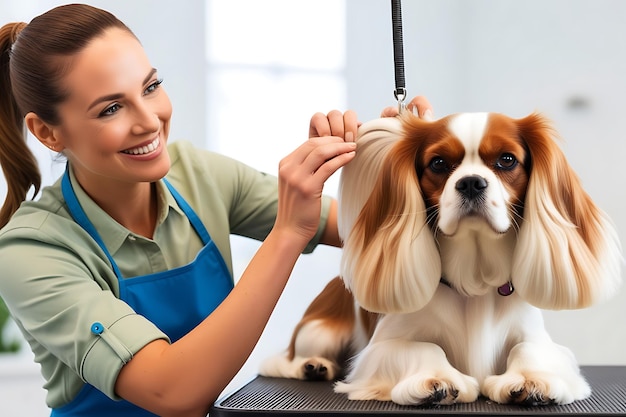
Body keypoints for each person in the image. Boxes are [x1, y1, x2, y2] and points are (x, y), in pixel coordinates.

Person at [0, 4, 433, 417]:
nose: (150, 121)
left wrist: (413, 171)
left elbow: (373, 233)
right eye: (111, 108)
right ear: (47, 132)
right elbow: (174, 393)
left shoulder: (199, 174)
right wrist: (287, 232)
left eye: (151, 87)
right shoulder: (30, 250)